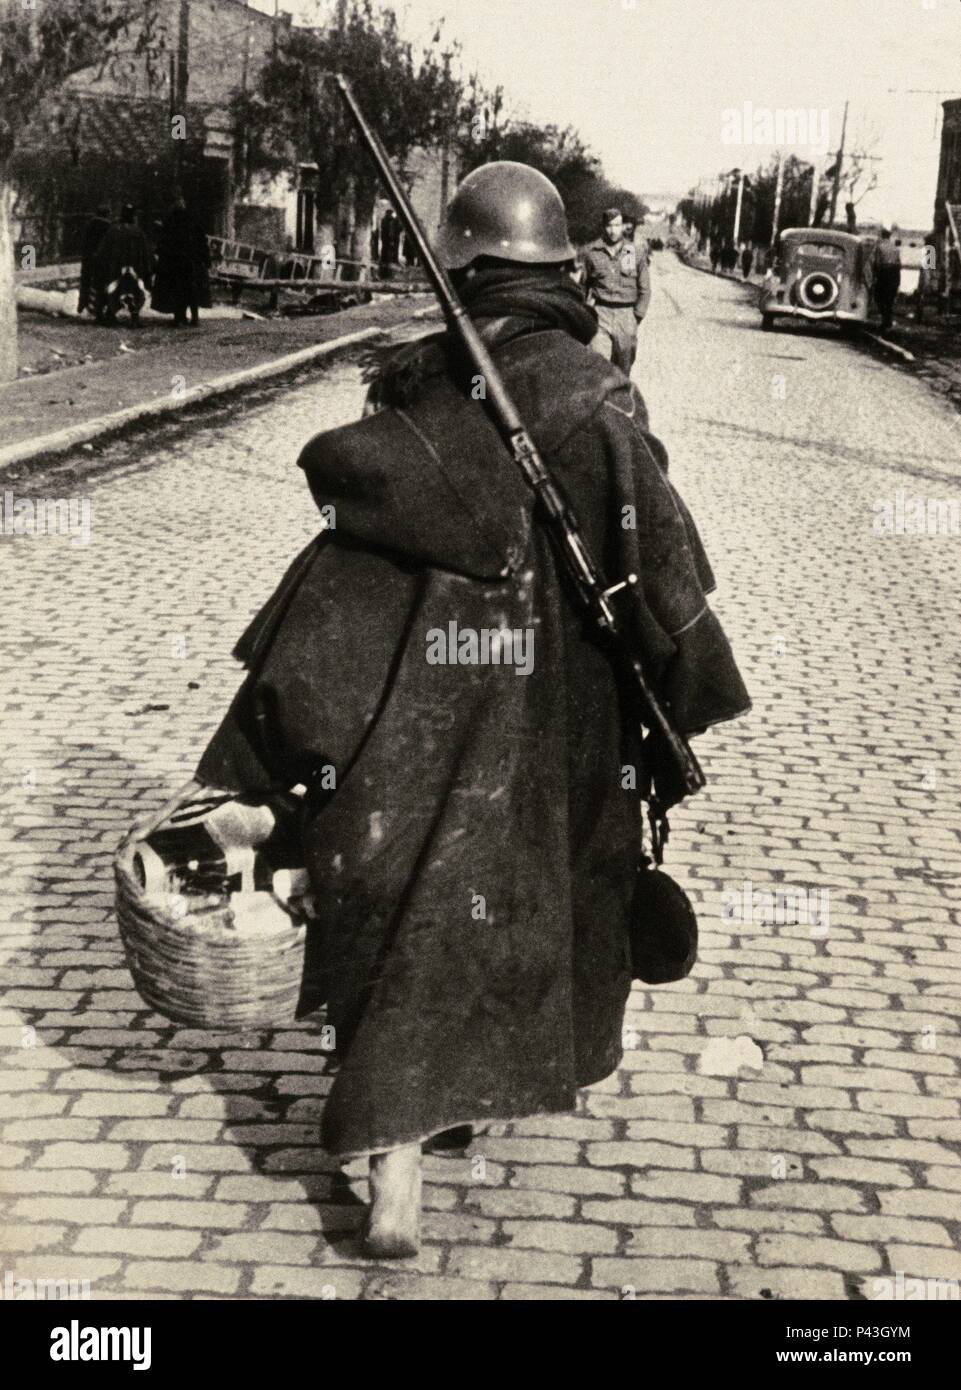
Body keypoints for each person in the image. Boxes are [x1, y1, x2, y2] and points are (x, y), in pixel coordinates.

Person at [190, 160, 750, 1258]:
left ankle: (392, 1159)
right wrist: (678, 696)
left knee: (397, 899)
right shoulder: (597, 403)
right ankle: (455, 1105)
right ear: (554, 270)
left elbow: (336, 586)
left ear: (461, 267)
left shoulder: (419, 394)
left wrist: (280, 753)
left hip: (416, 710)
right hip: (556, 721)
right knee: (526, 899)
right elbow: (665, 575)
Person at [582, 207, 651, 374]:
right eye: (609, 226)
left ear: (623, 226)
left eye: (617, 225)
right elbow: (583, 286)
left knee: (622, 371)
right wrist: (585, 312)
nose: (613, 230)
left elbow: (644, 288)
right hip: (600, 315)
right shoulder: (593, 252)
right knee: (598, 367)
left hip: (626, 316)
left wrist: (636, 317)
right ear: (603, 227)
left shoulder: (630, 252)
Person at [152, 198, 211, 327]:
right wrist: (205, 260)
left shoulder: (170, 223)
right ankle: (194, 318)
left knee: (176, 290)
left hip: (175, 263)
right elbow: (202, 242)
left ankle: (179, 317)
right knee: (191, 290)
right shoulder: (193, 222)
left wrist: (161, 258)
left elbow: (163, 243)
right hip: (191, 263)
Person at [93, 204, 153, 325]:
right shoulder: (138, 231)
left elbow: (103, 250)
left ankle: (110, 314)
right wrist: (148, 267)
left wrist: (101, 265)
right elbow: (145, 251)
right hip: (135, 268)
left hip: (115, 268)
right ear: (133, 216)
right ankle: (135, 316)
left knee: (115, 289)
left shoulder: (113, 230)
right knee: (137, 290)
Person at [78, 204, 112, 316]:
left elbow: (83, 242)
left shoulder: (89, 225)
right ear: (107, 214)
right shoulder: (108, 226)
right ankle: (99, 308)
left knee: (86, 280)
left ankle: (82, 304)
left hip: (88, 257)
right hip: (101, 258)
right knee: (100, 282)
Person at [873, 224, 902, 331]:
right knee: (890, 298)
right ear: (889, 236)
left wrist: (875, 276)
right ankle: (888, 322)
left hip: (884, 272)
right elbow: (899, 263)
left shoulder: (879, 247)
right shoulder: (895, 248)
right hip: (895, 273)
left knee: (879, 297)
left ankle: (885, 321)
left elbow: (877, 263)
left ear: (882, 236)